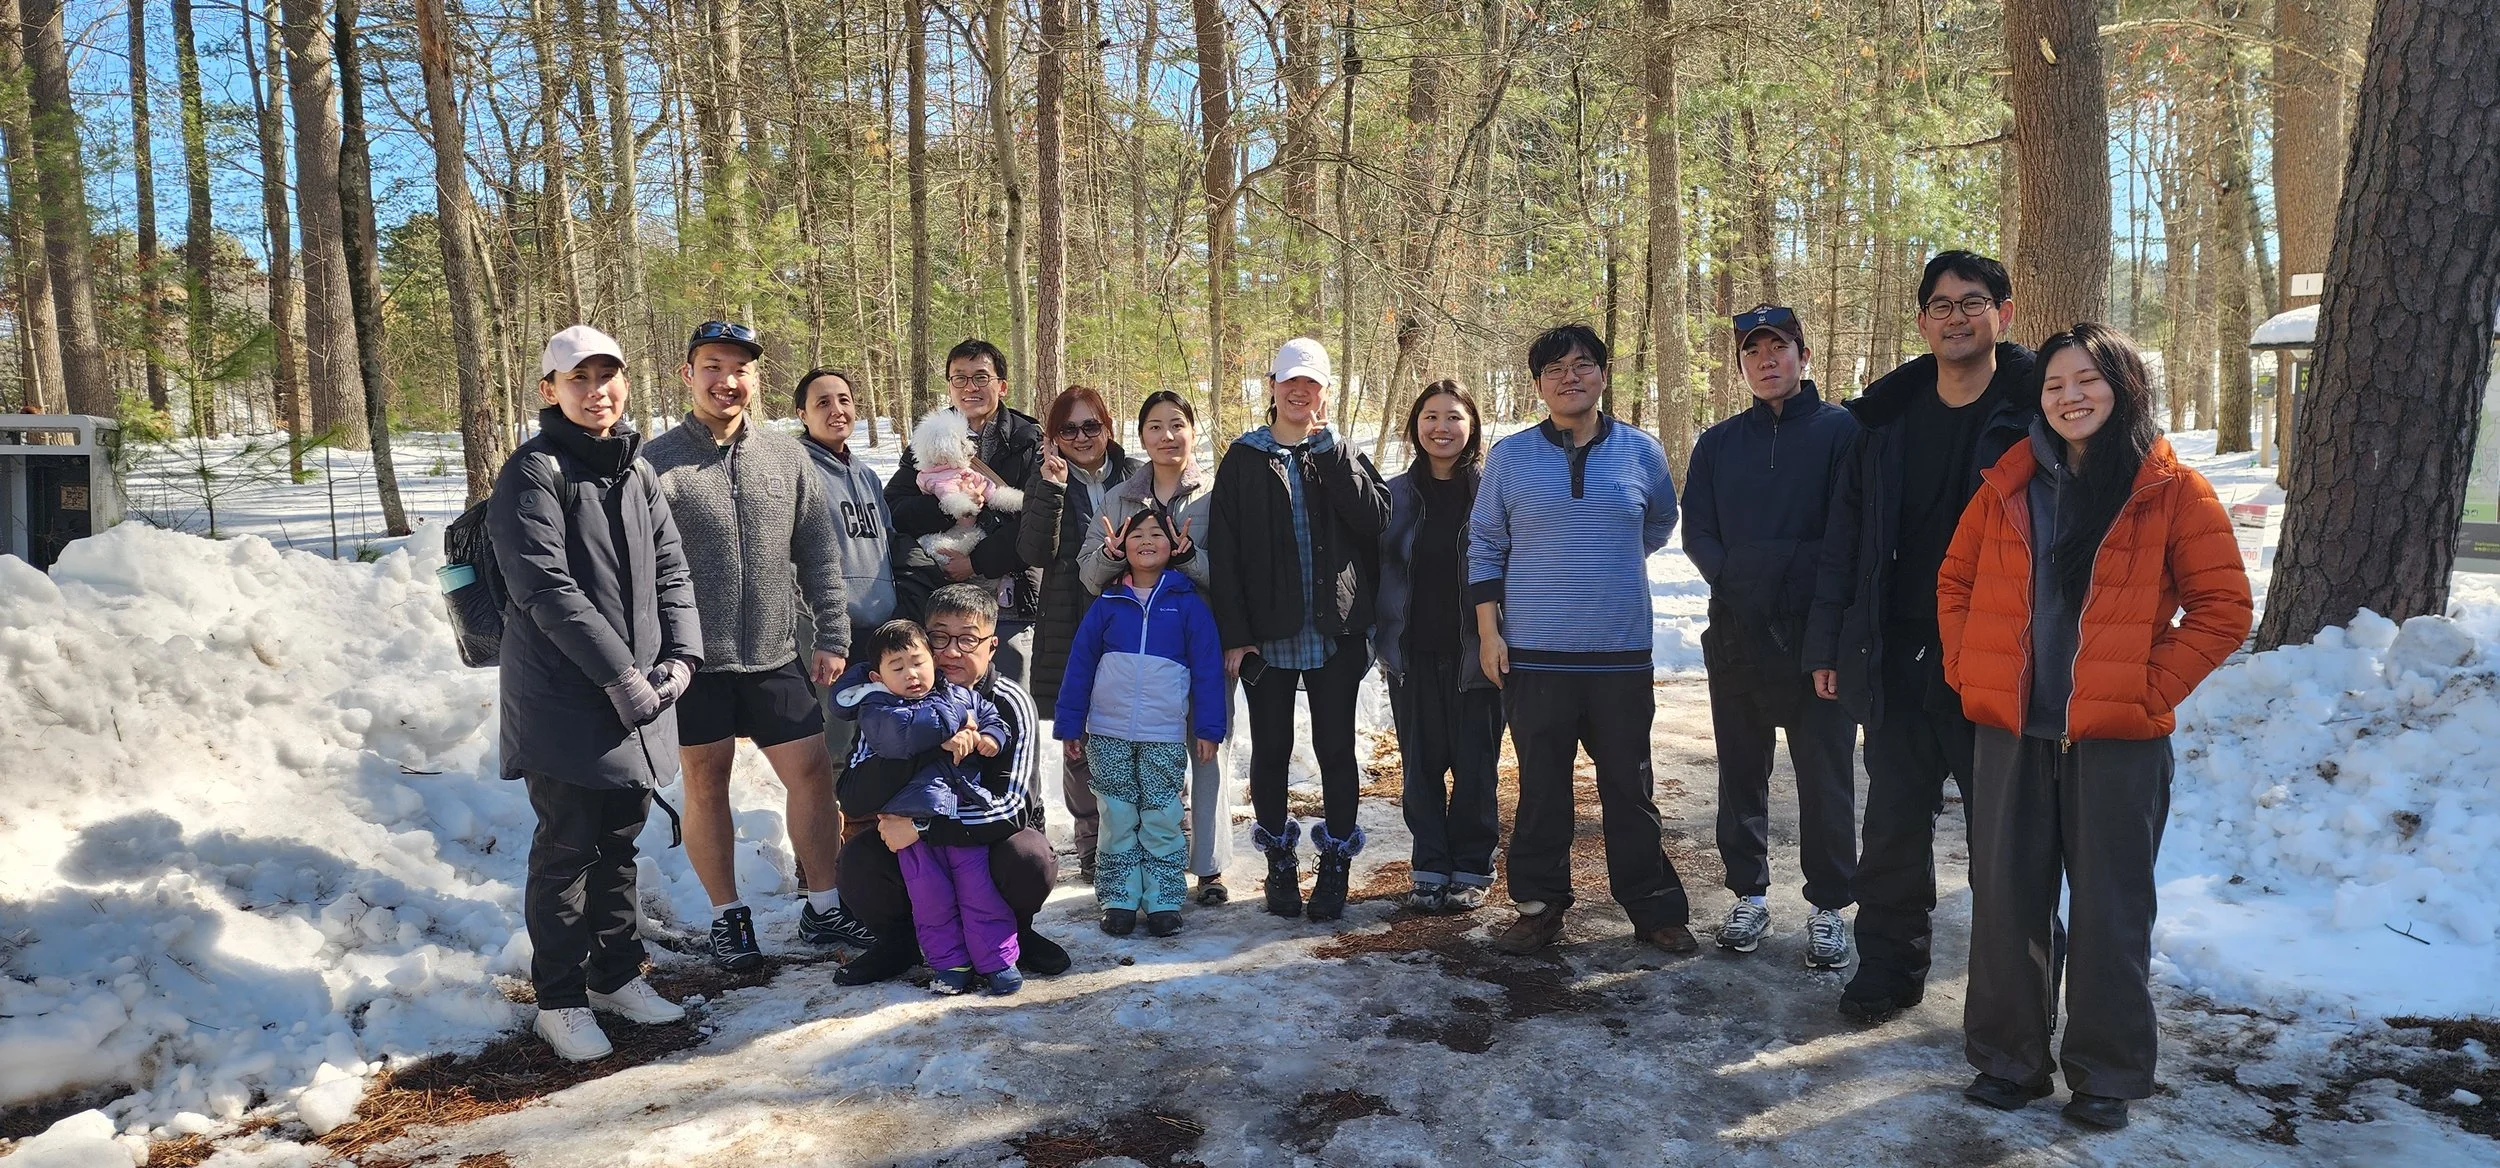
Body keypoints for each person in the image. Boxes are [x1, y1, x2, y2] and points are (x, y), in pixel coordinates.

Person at [1941, 323, 2250, 1130]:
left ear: (2122, 388)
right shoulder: (2009, 483)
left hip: (2118, 743)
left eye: (2087, 381)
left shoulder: (2168, 487)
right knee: (2007, 902)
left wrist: (2147, 688)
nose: (2070, 397)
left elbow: (2223, 608)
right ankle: (2009, 1061)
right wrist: (1971, 671)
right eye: (2054, 385)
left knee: (2112, 911)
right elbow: (1956, 581)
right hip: (2013, 734)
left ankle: (2107, 1074)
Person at [1803, 251, 2039, 1022]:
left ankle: (2014, 1003)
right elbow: (1846, 538)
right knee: (1894, 824)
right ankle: (1889, 968)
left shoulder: (2039, 409)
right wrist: (1829, 644)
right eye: (1940, 305)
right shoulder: (1885, 418)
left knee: (2005, 841)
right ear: (1922, 321)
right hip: (1901, 651)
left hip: (2002, 654)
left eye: (1973, 302)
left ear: (2003, 313)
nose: (1956, 317)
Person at [491, 325, 700, 1061]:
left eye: (607, 377)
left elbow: (672, 569)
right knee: (569, 852)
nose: (596, 391)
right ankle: (560, 999)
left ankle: (616, 976)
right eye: (578, 379)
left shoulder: (635, 471)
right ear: (550, 390)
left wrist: (683, 658)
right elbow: (546, 589)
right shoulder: (532, 473)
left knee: (619, 845)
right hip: (564, 703)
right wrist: (622, 677)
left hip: (639, 699)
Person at [642, 320, 864, 969]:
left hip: (774, 651)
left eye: (739, 368)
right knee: (707, 783)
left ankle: (824, 906)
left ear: (755, 379)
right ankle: (728, 917)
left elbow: (818, 551)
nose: (726, 380)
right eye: (712, 366)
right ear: (689, 375)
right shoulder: (657, 461)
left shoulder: (785, 456)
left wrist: (831, 632)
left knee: (813, 772)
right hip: (694, 661)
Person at [1471, 323, 1697, 957]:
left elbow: (1654, 526)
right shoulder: (1511, 458)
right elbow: (1486, 543)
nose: (1569, 377)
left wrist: (1599, 566)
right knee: (1542, 788)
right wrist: (1490, 633)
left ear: (1603, 373)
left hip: (1619, 654)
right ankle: (1540, 907)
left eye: (1582, 365)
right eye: (1554, 369)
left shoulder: (1642, 453)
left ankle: (1653, 908)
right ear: (1539, 383)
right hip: (1536, 655)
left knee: (1629, 785)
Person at [1681, 306, 1861, 967]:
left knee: (1827, 776)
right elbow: (1698, 531)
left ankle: (1829, 906)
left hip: (1820, 638)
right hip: (1736, 634)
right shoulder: (1719, 444)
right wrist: (1736, 575)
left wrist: (1772, 566)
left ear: (1802, 355)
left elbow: (1849, 538)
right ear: (1741, 366)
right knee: (1741, 772)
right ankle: (1748, 895)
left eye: (1778, 347)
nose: (1766, 360)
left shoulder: (1844, 433)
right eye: (1752, 351)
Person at [1207, 338, 1391, 924]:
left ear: (1325, 392)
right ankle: (1280, 864)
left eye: (1310, 384)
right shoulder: (1244, 457)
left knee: (1336, 749)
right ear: (1272, 385)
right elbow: (1227, 553)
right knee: (1272, 750)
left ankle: (1335, 862)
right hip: (1269, 634)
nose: (1299, 392)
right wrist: (1235, 633)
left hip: (1335, 630)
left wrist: (1332, 455)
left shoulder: (1340, 451)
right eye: (1289, 381)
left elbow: (1375, 521)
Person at [832, 584, 1072, 986]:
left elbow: (1014, 808)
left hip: (986, 840)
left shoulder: (1008, 701)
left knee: (1028, 855)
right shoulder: (885, 700)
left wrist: (925, 826)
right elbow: (852, 793)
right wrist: (924, 744)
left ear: (992, 646)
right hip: (910, 844)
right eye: (939, 638)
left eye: (968, 639)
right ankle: (899, 942)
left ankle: (1014, 935)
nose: (951, 651)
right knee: (857, 860)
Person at [1080, 390, 1231, 905]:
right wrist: (1109, 553)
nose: (1167, 436)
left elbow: (1230, 577)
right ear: (1141, 436)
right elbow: (1088, 575)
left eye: (1177, 425)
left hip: (1202, 637)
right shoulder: (1118, 497)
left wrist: (1187, 556)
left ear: (1193, 429)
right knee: (1139, 763)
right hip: (1137, 648)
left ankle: (1207, 866)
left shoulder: (1216, 493)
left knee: (1207, 746)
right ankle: (1136, 867)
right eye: (1154, 427)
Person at [1056, 508, 1229, 937]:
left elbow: (1208, 670)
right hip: (1108, 731)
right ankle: (1118, 898)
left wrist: (1209, 729)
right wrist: (1070, 724)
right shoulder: (1108, 604)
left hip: (1162, 733)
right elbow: (1080, 665)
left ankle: (1164, 899)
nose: (1147, 540)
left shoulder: (1188, 604)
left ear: (1174, 546)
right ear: (1121, 546)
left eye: (1157, 533)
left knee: (1160, 815)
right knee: (1115, 814)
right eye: (1138, 534)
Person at [1374, 380, 1501, 914]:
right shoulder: (1395, 494)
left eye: (1453, 417)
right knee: (1420, 766)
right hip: (1413, 652)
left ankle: (1472, 864)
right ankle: (1429, 860)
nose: (1441, 427)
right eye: (1430, 416)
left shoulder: (1494, 489)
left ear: (1470, 426)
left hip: (1481, 653)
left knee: (1476, 766)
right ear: (1415, 425)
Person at [1017, 384, 1137, 876]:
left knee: (1145, 729)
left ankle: (1161, 831)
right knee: (1080, 739)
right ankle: (1092, 843)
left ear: (1108, 428)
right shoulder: (1045, 481)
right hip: (1071, 621)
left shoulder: (1135, 476)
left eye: (1092, 425)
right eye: (1069, 428)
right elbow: (1033, 553)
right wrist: (1052, 488)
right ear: (1053, 438)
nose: (1083, 436)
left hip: (1131, 619)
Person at [887, 338, 1047, 687]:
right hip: (941, 596)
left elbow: (1038, 520)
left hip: (1007, 595)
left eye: (980, 377)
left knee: (1007, 697)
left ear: (1001, 386)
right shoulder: (928, 437)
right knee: (946, 705)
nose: (969, 387)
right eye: (959, 378)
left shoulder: (1027, 439)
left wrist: (976, 563)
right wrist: (948, 509)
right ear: (949, 386)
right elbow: (894, 510)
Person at [797, 368, 898, 774]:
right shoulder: (796, 469)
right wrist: (825, 629)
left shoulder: (867, 475)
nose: (837, 410)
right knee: (837, 742)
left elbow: (888, 541)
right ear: (802, 414)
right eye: (823, 403)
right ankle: (838, 833)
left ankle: (878, 833)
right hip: (826, 632)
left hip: (878, 628)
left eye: (844, 400)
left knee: (879, 737)